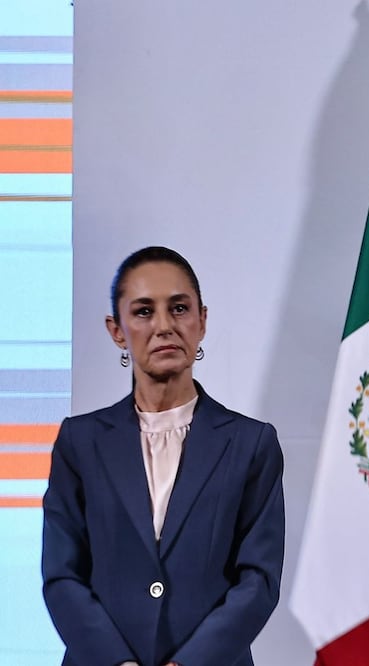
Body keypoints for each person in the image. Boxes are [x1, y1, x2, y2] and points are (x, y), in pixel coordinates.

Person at [42, 246, 285, 666]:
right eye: (142, 312)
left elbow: (259, 580)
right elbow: (62, 575)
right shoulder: (79, 442)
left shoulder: (252, 443)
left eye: (178, 308)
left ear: (202, 320)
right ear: (116, 330)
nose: (164, 326)